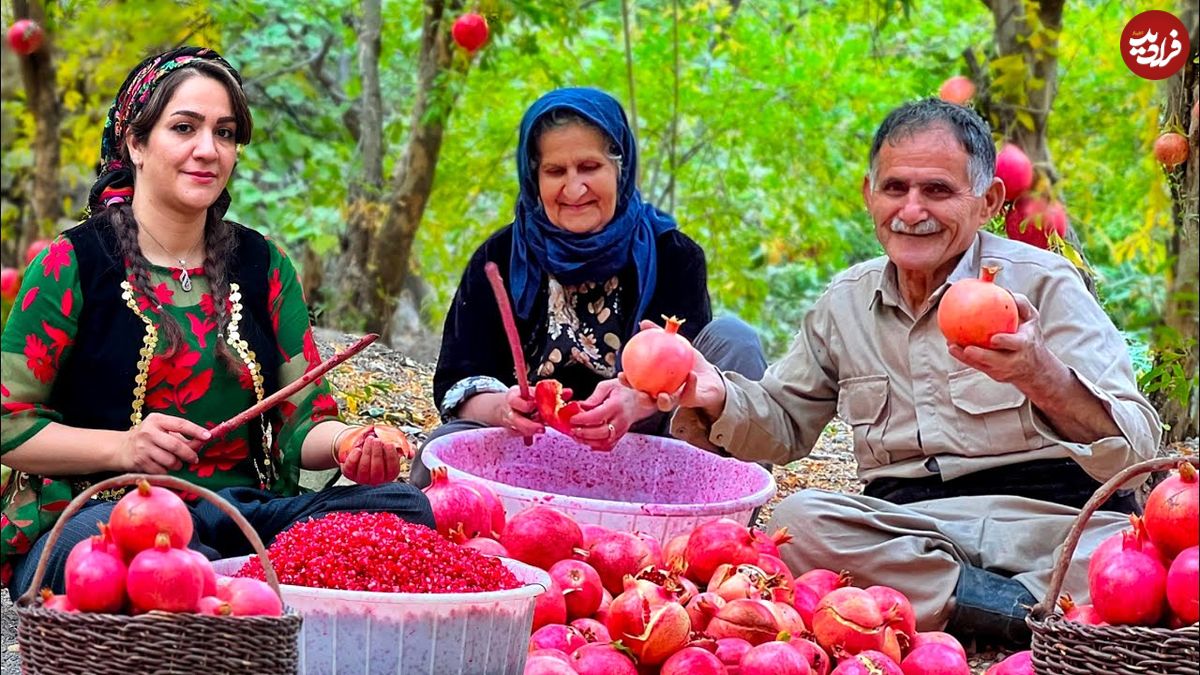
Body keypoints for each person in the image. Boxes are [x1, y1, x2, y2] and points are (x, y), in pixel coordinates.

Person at [658, 99, 1162, 645]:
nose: (912, 210)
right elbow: (783, 422)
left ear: (988, 201)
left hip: (1051, 523)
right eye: (895, 188)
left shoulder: (1044, 285)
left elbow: (1137, 449)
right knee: (801, 522)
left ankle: (961, 608)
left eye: (938, 191)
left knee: (1139, 555)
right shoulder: (843, 303)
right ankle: (1027, 613)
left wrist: (1040, 374)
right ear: (869, 194)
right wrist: (714, 394)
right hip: (912, 529)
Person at [0, 47, 433, 595]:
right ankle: (231, 591)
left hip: (239, 516)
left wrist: (351, 442)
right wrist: (123, 449)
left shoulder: (263, 265)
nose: (208, 150)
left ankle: (227, 587)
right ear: (135, 142)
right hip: (107, 520)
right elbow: (7, 423)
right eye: (184, 128)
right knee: (139, 558)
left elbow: (304, 427)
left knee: (402, 508)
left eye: (224, 133)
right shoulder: (73, 263)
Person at [412, 87, 767, 488]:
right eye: (556, 171)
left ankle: (715, 528)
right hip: (530, 461)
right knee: (440, 450)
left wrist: (635, 401)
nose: (575, 188)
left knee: (734, 339)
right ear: (534, 177)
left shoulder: (674, 256)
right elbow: (460, 379)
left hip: (654, 460)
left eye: (589, 166)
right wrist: (504, 408)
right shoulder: (498, 258)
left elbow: (688, 370)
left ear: (620, 167)